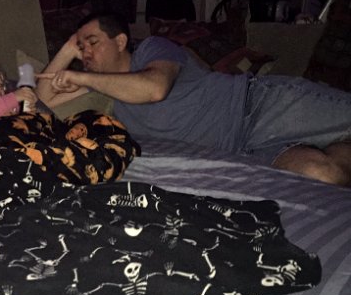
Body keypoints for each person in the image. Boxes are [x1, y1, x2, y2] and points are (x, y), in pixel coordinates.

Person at [36, 11, 351, 186]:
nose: (85, 53)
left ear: (120, 41)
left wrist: (81, 76)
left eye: (92, 42)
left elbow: (154, 88)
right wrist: (68, 48)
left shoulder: (152, 49)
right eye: (81, 47)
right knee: (324, 174)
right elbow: (42, 101)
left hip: (259, 107)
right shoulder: (105, 87)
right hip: (247, 149)